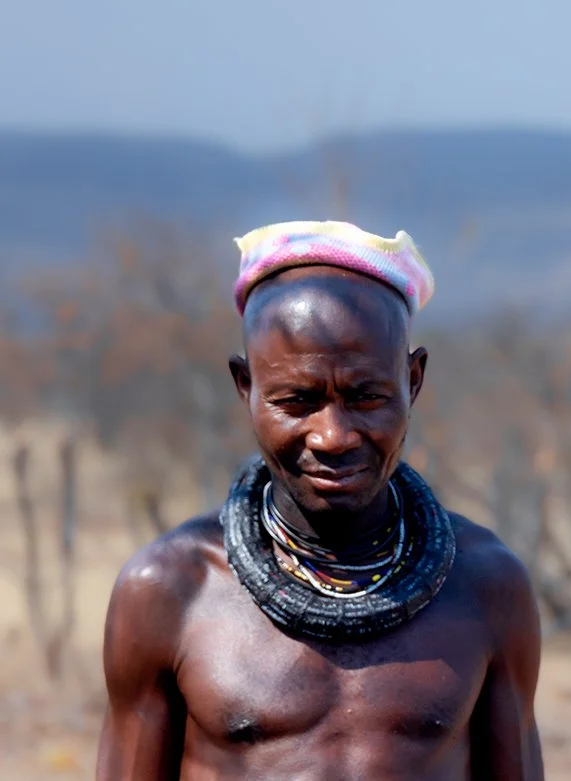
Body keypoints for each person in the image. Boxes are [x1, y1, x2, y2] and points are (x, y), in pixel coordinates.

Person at [97, 221, 543, 780]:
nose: (333, 436)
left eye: (367, 396)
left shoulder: (485, 585)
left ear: (413, 380)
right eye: (296, 401)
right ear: (245, 387)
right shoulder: (170, 589)